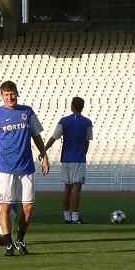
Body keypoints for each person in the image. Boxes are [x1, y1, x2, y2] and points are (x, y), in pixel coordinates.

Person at [0, 80, 50, 257]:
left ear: (17, 94)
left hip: (27, 167)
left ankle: (20, 239)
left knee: (29, 207)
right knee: (5, 206)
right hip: (5, 169)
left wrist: (44, 156)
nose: (9, 97)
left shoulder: (27, 112)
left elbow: (36, 136)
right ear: (1, 95)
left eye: (12, 94)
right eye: (6, 95)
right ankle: (9, 244)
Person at [42, 96, 93, 224]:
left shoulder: (64, 121)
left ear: (72, 106)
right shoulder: (87, 122)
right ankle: (75, 217)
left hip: (66, 158)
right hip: (79, 159)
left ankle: (66, 216)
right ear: (82, 107)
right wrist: (83, 154)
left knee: (67, 188)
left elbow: (54, 137)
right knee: (77, 188)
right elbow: (87, 141)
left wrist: (44, 150)